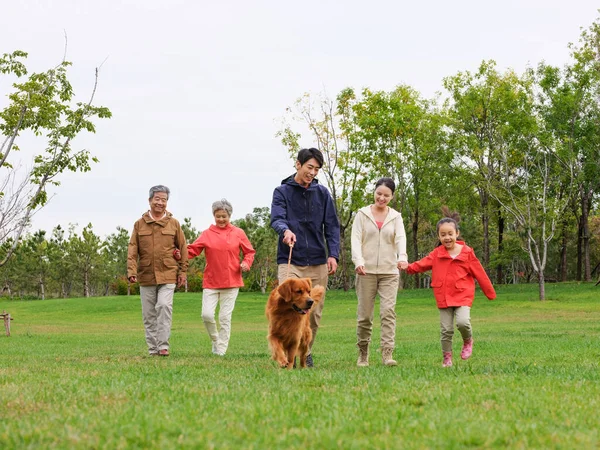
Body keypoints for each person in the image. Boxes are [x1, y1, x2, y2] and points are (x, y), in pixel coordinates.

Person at [270, 147, 340, 368]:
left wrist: (334, 255)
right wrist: (285, 231)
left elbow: (332, 226)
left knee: (312, 314)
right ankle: (280, 350)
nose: (313, 172)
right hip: (290, 258)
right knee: (286, 306)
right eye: (310, 167)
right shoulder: (281, 191)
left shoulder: (322, 194)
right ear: (298, 164)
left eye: (317, 169)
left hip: (318, 260)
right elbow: (277, 218)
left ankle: (305, 351)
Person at [405, 209, 496, 367]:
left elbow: (480, 273)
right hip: (444, 296)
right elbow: (421, 265)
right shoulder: (436, 254)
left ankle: (468, 341)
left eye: (450, 234)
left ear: (457, 233)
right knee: (446, 330)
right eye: (443, 234)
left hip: (462, 295)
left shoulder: (467, 253)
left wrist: (490, 293)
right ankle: (447, 358)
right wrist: (407, 267)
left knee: (462, 322)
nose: (447, 237)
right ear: (439, 237)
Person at [180, 199, 255, 356]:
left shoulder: (238, 233)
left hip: (232, 280)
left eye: (224, 216)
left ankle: (220, 350)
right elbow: (193, 250)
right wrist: (178, 253)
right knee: (206, 315)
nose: (221, 219)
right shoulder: (207, 234)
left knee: (224, 317)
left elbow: (249, 252)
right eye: (218, 216)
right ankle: (215, 340)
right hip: (211, 281)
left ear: (229, 215)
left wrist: (246, 264)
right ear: (213, 216)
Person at [351, 177, 408, 367]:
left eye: (386, 195)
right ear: (374, 192)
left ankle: (387, 354)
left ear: (392, 196)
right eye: (379, 194)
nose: (381, 198)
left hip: (389, 272)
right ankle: (363, 354)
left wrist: (402, 257)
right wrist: (358, 261)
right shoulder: (362, 214)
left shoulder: (396, 217)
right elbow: (356, 239)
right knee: (365, 315)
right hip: (365, 272)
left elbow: (400, 238)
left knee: (388, 312)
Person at [127, 185, 188, 357]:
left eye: (164, 200)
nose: (160, 203)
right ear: (150, 200)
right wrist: (131, 271)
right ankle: (153, 349)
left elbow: (183, 247)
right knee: (149, 314)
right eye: (157, 199)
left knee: (163, 306)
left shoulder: (174, 223)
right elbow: (132, 249)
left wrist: (183, 272)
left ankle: (163, 346)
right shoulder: (139, 224)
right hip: (146, 274)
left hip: (168, 273)